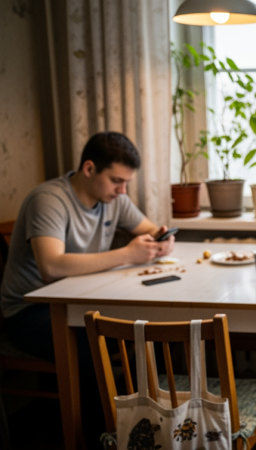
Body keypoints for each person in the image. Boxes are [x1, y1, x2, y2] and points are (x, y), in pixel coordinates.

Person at [0, 131, 174, 446]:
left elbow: (149, 229)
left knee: (151, 328)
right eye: (117, 181)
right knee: (93, 343)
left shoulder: (113, 199)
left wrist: (161, 239)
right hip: (28, 312)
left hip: (78, 302)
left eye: (126, 184)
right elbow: (51, 267)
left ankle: (144, 422)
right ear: (90, 168)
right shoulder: (49, 200)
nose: (123, 191)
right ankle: (103, 437)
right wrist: (127, 254)